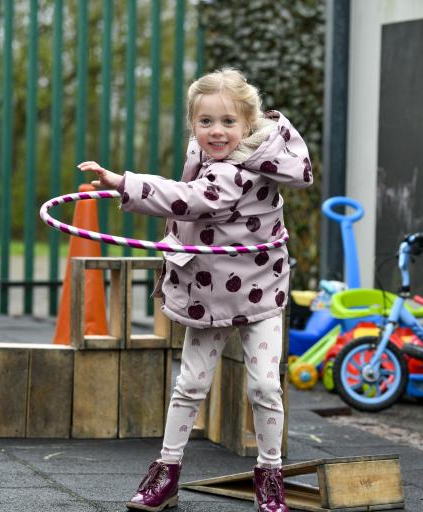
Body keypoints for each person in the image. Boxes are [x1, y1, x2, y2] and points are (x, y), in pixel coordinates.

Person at [78, 68, 312, 512]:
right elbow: (186, 191)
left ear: (248, 124)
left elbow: (189, 199)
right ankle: (166, 473)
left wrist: (121, 182)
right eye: (205, 122)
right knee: (190, 383)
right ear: (193, 124)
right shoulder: (204, 156)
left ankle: (270, 474)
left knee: (264, 385)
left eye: (227, 122)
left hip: (260, 291)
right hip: (213, 291)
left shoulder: (239, 169)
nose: (216, 131)